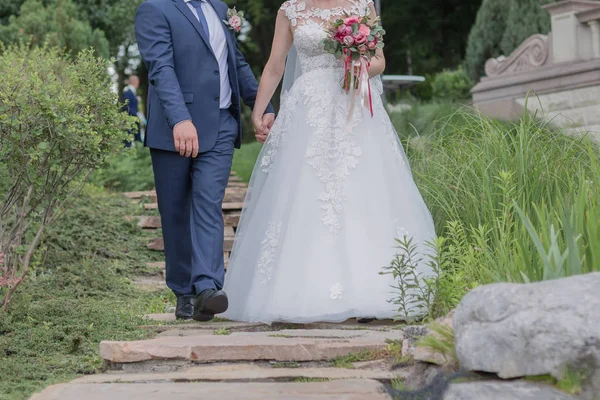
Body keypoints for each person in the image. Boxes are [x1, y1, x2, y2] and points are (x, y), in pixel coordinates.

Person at [222, 0, 436, 324]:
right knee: (306, 191)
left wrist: (357, 64)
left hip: (354, 106)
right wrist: (258, 109)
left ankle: (372, 288)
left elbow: (379, 61)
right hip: (308, 112)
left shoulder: (362, 4)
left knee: (361, 190)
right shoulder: (290, 9)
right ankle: (301, 289)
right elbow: (275, 66)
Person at [134, 0, 275, 321]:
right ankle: (184, 291)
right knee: (174, 210)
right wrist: (180, 119)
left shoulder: (220, 8)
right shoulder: (154, 9)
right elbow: (160, 67)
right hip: (175, 125)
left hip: (222, 124)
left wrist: (262, 105)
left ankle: (208, 287)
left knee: (208, 201)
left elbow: (235, 63)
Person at [122, 76, 142, 146]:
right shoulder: (128, 92)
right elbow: (126, 106)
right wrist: (135, 114)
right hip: (130, 119)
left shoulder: (132, 92)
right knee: (128, 139)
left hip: (133, 118)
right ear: (136, 82)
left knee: (136, 138)